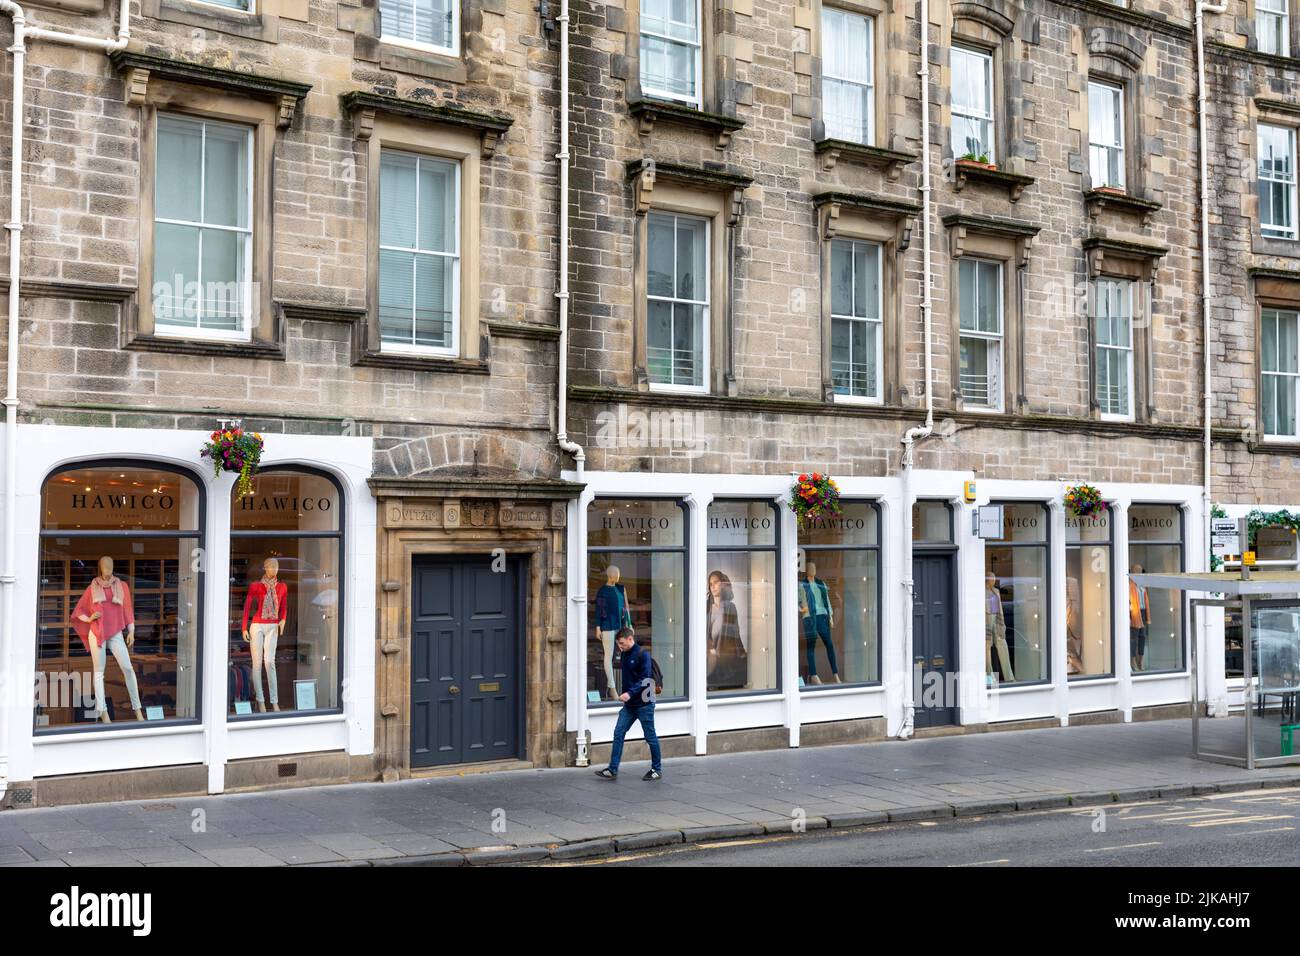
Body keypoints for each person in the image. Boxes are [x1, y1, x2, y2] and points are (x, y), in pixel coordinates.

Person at [595, 627, 662, 781]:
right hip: (630, 706)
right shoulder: (625, 654)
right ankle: (612, 769)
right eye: (619, 644)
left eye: (622, 643)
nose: (620, 647)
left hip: (645, 703)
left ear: (630, 639)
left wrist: (629, 693)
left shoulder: (643, 655)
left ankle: (656, 769)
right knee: (619, 732)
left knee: (650, 736)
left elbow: (645, 679)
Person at [799, 561, 840, 684]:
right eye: (810, 568)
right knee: (810, 646)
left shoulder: (820, 583)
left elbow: (826, 600)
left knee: (829, 644)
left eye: (814, 567)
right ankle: (814, 674)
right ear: (806, 570)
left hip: (822, 616)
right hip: (810, 618)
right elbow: (798, 601)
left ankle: (835, 674)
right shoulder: (802, 585)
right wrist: (803, 611)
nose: (813, 569)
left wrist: (831, 617)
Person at [706, 570, 746, 690]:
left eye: (716, 582)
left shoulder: (730, 607)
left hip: (724, 656)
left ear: (723, 584)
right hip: (708, 655)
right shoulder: (706, 608)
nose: (712, 586)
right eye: (710, 584)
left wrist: (741, 653)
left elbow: (735, 634)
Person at [1129, 563, 1150, 672]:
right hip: (1134, 613)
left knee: (1142, 637)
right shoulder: (1130, 584)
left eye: (1140, 571)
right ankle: (1132, 660)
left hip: (1143, 612)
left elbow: (1146, 599)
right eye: (1137, 571)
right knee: (1134, 639)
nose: (1139, 573)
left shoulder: (1143, 584)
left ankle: (1140, 660)